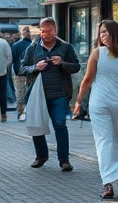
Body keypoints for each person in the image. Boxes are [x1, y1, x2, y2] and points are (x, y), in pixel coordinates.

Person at [73, 20, 118, 199]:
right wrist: (79, 101)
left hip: (114, 103)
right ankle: (110, 181)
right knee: (110, 141)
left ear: (114, 33)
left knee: (111, 142)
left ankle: (115, 178)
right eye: (100, 33)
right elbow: (88, 79)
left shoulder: (116, 55)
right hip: (106, 104)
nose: (102, 36)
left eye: (105, 32)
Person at [19, 17, 81, 172]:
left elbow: (76, 67)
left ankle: (64, 160)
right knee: (37, 123)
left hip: (59, 93)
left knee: (60, 124)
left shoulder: (66, 48)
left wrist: (62, 63)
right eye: (42, 31)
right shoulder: (33, 48)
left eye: (49, 31)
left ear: (55, 31)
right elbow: (21, 69)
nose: (45, 34)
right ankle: (41, 156)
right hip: (37, 93)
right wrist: (35, 67)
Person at [11, 26, 32, 121]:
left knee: (20, 93)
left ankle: (20, 112)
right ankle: (29, 112)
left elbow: (12, 60)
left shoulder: (16, 45)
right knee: (31, 93)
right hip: (31, 72)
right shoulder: (33, 45)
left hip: (19, 72)